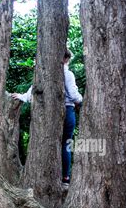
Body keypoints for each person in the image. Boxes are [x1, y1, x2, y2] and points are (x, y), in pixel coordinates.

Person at [12, 49, 83, 186]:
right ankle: (65, 178)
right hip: (67, 111)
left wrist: (21, 96)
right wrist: (82, 99)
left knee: (48, 142)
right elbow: (74, 95)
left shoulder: (44, 72)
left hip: (48, 112)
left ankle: (46, 177)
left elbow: (32, 92)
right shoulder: (67, 74)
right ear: (67, 59)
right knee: (66, 144)